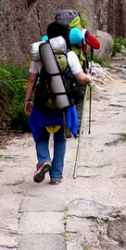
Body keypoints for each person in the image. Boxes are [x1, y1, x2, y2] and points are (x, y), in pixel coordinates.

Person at [24, 26, 100, 185]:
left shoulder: (40, 55)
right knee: (59, 140)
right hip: (63, 104)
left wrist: (28, 100)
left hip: (43, 103)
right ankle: (56, 175)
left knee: (41, 135)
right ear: (65, 38)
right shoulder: (70, 55)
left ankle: (44, 160)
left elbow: (32, 80)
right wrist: (89, 78)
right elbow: (80, 78)